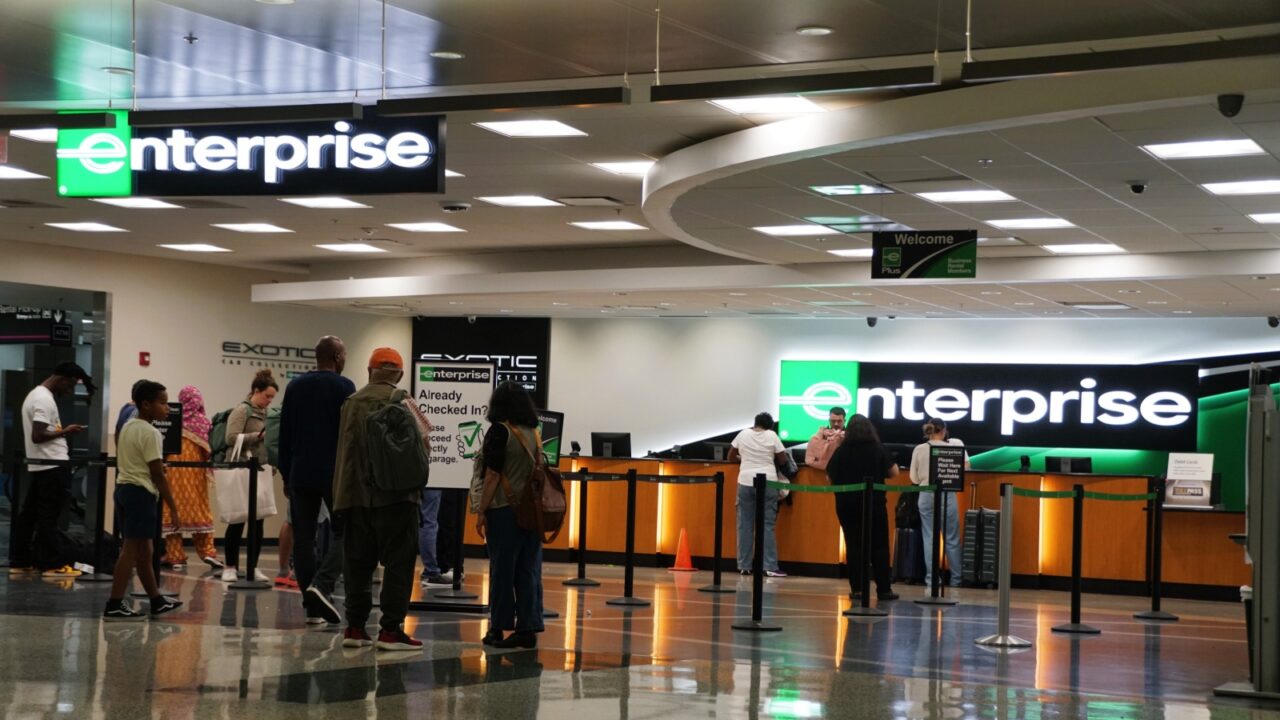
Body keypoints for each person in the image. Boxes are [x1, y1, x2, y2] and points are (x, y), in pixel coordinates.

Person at [333, 348, 426, 652]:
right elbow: (424, 444)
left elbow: (344, 454)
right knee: (399, 564)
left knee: (357, 564)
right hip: (398, 498)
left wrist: (340, 499)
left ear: (369, 371)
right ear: (399, 374)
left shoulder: (351, 403)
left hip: (356, 499)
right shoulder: (406, 402)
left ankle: (355, 627)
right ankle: (390, 630)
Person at [278, 335, 356, 625]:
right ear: (336, 357)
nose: (345, 359)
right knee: (347, 532)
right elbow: (349, 433)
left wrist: (286, 475)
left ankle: (311, 610)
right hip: (334, 474)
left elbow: (285, 434)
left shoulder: (294, 386)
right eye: (344, 355)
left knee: (303, 538)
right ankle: (322, 586)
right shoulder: (345, 387)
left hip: (300, 472)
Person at [469, 381, 546, 649]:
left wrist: (481, 511)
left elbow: (492, 475)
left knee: (502, 570)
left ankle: (498, 627)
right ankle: (528, 627)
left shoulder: (499, 431)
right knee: (529, 569)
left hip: (503, 511)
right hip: (531, 512)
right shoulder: (534, 433)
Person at [103, 380, 184, 621]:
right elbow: (157, 474)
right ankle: (114, 604)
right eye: (162, 403)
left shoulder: (128, 426)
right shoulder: (151, 433)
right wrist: (173, 507)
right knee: (130, 550)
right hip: (140, 494)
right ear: (146, 405)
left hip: (124, 490)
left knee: (145, 551)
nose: (167, 408)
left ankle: (156, 600)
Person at [12, 362, 95, 579]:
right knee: (48, 517)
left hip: (43, 465)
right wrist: (66, 431)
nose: (69, 391)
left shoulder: (35, 395)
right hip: (53, 465)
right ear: (62, 379)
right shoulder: (43, 399)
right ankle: (52, 565)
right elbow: (38, 435)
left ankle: (20, 561)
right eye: (70, 386)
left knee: (29, 515)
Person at [826, 414, 900, 601]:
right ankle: (884, 590)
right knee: (880, 545)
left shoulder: (842, 451)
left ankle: (857, 589)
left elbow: (829, 477)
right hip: (874, 503)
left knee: (853, 545)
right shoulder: (878, 448)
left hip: (847, 504)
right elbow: (894, 473)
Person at [221, 369, 278, 583]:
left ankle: (253, 566)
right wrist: (258, 436)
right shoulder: (241, 410)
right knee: (237, 519)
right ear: (256, 391)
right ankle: (230, 566)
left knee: (258, 521)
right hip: (242, 468)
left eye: (272, 397)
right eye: (267, 396)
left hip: (261, 470)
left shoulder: (268, 414)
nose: (269, 400)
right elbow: (230, 438)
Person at [161, 386, 223, 570]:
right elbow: (208, 452)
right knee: (200, 508)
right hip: (196, 473)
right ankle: (207, 551)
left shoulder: (171, 419)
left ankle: (175, 556)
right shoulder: (203, 422)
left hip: (173, 472)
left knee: (172, 510)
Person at [909, 417, 970, 588]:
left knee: (929, 537)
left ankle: (932, 579)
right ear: (944, 431)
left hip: (925, 493)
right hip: (947, 493)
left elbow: (913, 478)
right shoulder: (954, 448)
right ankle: (956, 579)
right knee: (952, 538)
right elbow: (965, 469)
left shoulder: (919, 449)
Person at [728, 412, 788, 578]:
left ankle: (744, 566)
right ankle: (769, 566)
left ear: (755, 423)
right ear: (770, 426)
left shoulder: (743, 434)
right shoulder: (772, 435)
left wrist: (743, 459)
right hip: (768, 482)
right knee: (767, 525)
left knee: (744, 525)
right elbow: (783, 459)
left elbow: (730, 456)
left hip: (745, 482)